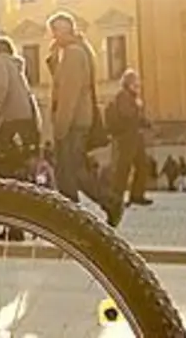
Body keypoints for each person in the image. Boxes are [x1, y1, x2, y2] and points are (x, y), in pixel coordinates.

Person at [45, 13, 123, 226]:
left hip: (72, 121)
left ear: (68, 30)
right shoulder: (75, 51)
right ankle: (106, 204)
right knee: (76, 171)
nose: (54, 35)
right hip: (78, 120)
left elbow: (69, 93)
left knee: (67, 173)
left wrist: (60, 127)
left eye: (57, 30)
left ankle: (73, 218)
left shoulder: (73, 53)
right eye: (52, 31)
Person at [0, 36, 40, 180]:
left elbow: (1, 89)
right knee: (19, 160)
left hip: (9, 117)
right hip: (24, 117)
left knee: (0, 161)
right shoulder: (15, 66)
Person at [107, 69, 152, 206]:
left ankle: (137, 194)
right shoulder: (123, 96)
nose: (138, 85)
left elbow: (136, 117)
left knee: (142, 165)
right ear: (128, 83)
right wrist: (137, 109)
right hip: (126, 138)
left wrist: (145, 122)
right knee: (123, 167)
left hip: (135, 137)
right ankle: (116, 197)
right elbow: (127, 114)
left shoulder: (132, 97)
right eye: (135, 82)